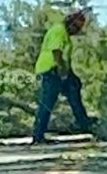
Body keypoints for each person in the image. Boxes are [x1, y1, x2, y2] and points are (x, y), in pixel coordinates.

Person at [31, 10, 94, 143]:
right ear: (69, 22)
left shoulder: (65, 34)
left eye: (79, 28)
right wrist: (61, 70)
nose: (76, 31)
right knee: (47, 102)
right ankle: (38, 135)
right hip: (51, 69)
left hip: (60, 69)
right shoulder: (58, 31)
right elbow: (57, 52)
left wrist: (69, 73)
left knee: (74, 88)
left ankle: (83, 123)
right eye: (76, 27)